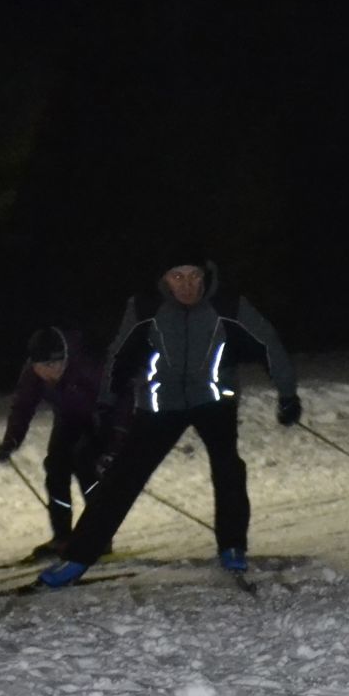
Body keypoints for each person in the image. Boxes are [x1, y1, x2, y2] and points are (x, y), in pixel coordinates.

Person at [38, 250, 301, 588]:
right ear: (164, 279)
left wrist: (287, 393)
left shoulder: (227, 304)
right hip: (160, 406)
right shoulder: (146, 308)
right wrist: (104, 404)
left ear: (204, 277)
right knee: (122, 476)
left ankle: (232, 545)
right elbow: (119, 352)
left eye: (194, 277)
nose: (187, 285)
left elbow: (269, 342)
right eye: (178, 277)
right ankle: (77, 557)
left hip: (214, 400)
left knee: (228, 467)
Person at [0, 327, 117, 559]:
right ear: (34, 365)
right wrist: (11, 440)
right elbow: (23, 406)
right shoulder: (32, 374)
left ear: (66, 358)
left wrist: (112, 448)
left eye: (57, 364)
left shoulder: (88, 367)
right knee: (56, 467)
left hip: (100, 419)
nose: (52, 372)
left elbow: (120, 402)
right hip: (68, 418)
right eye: (45, 367)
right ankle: (62, 536)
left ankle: (99, 537)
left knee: (86, 465)